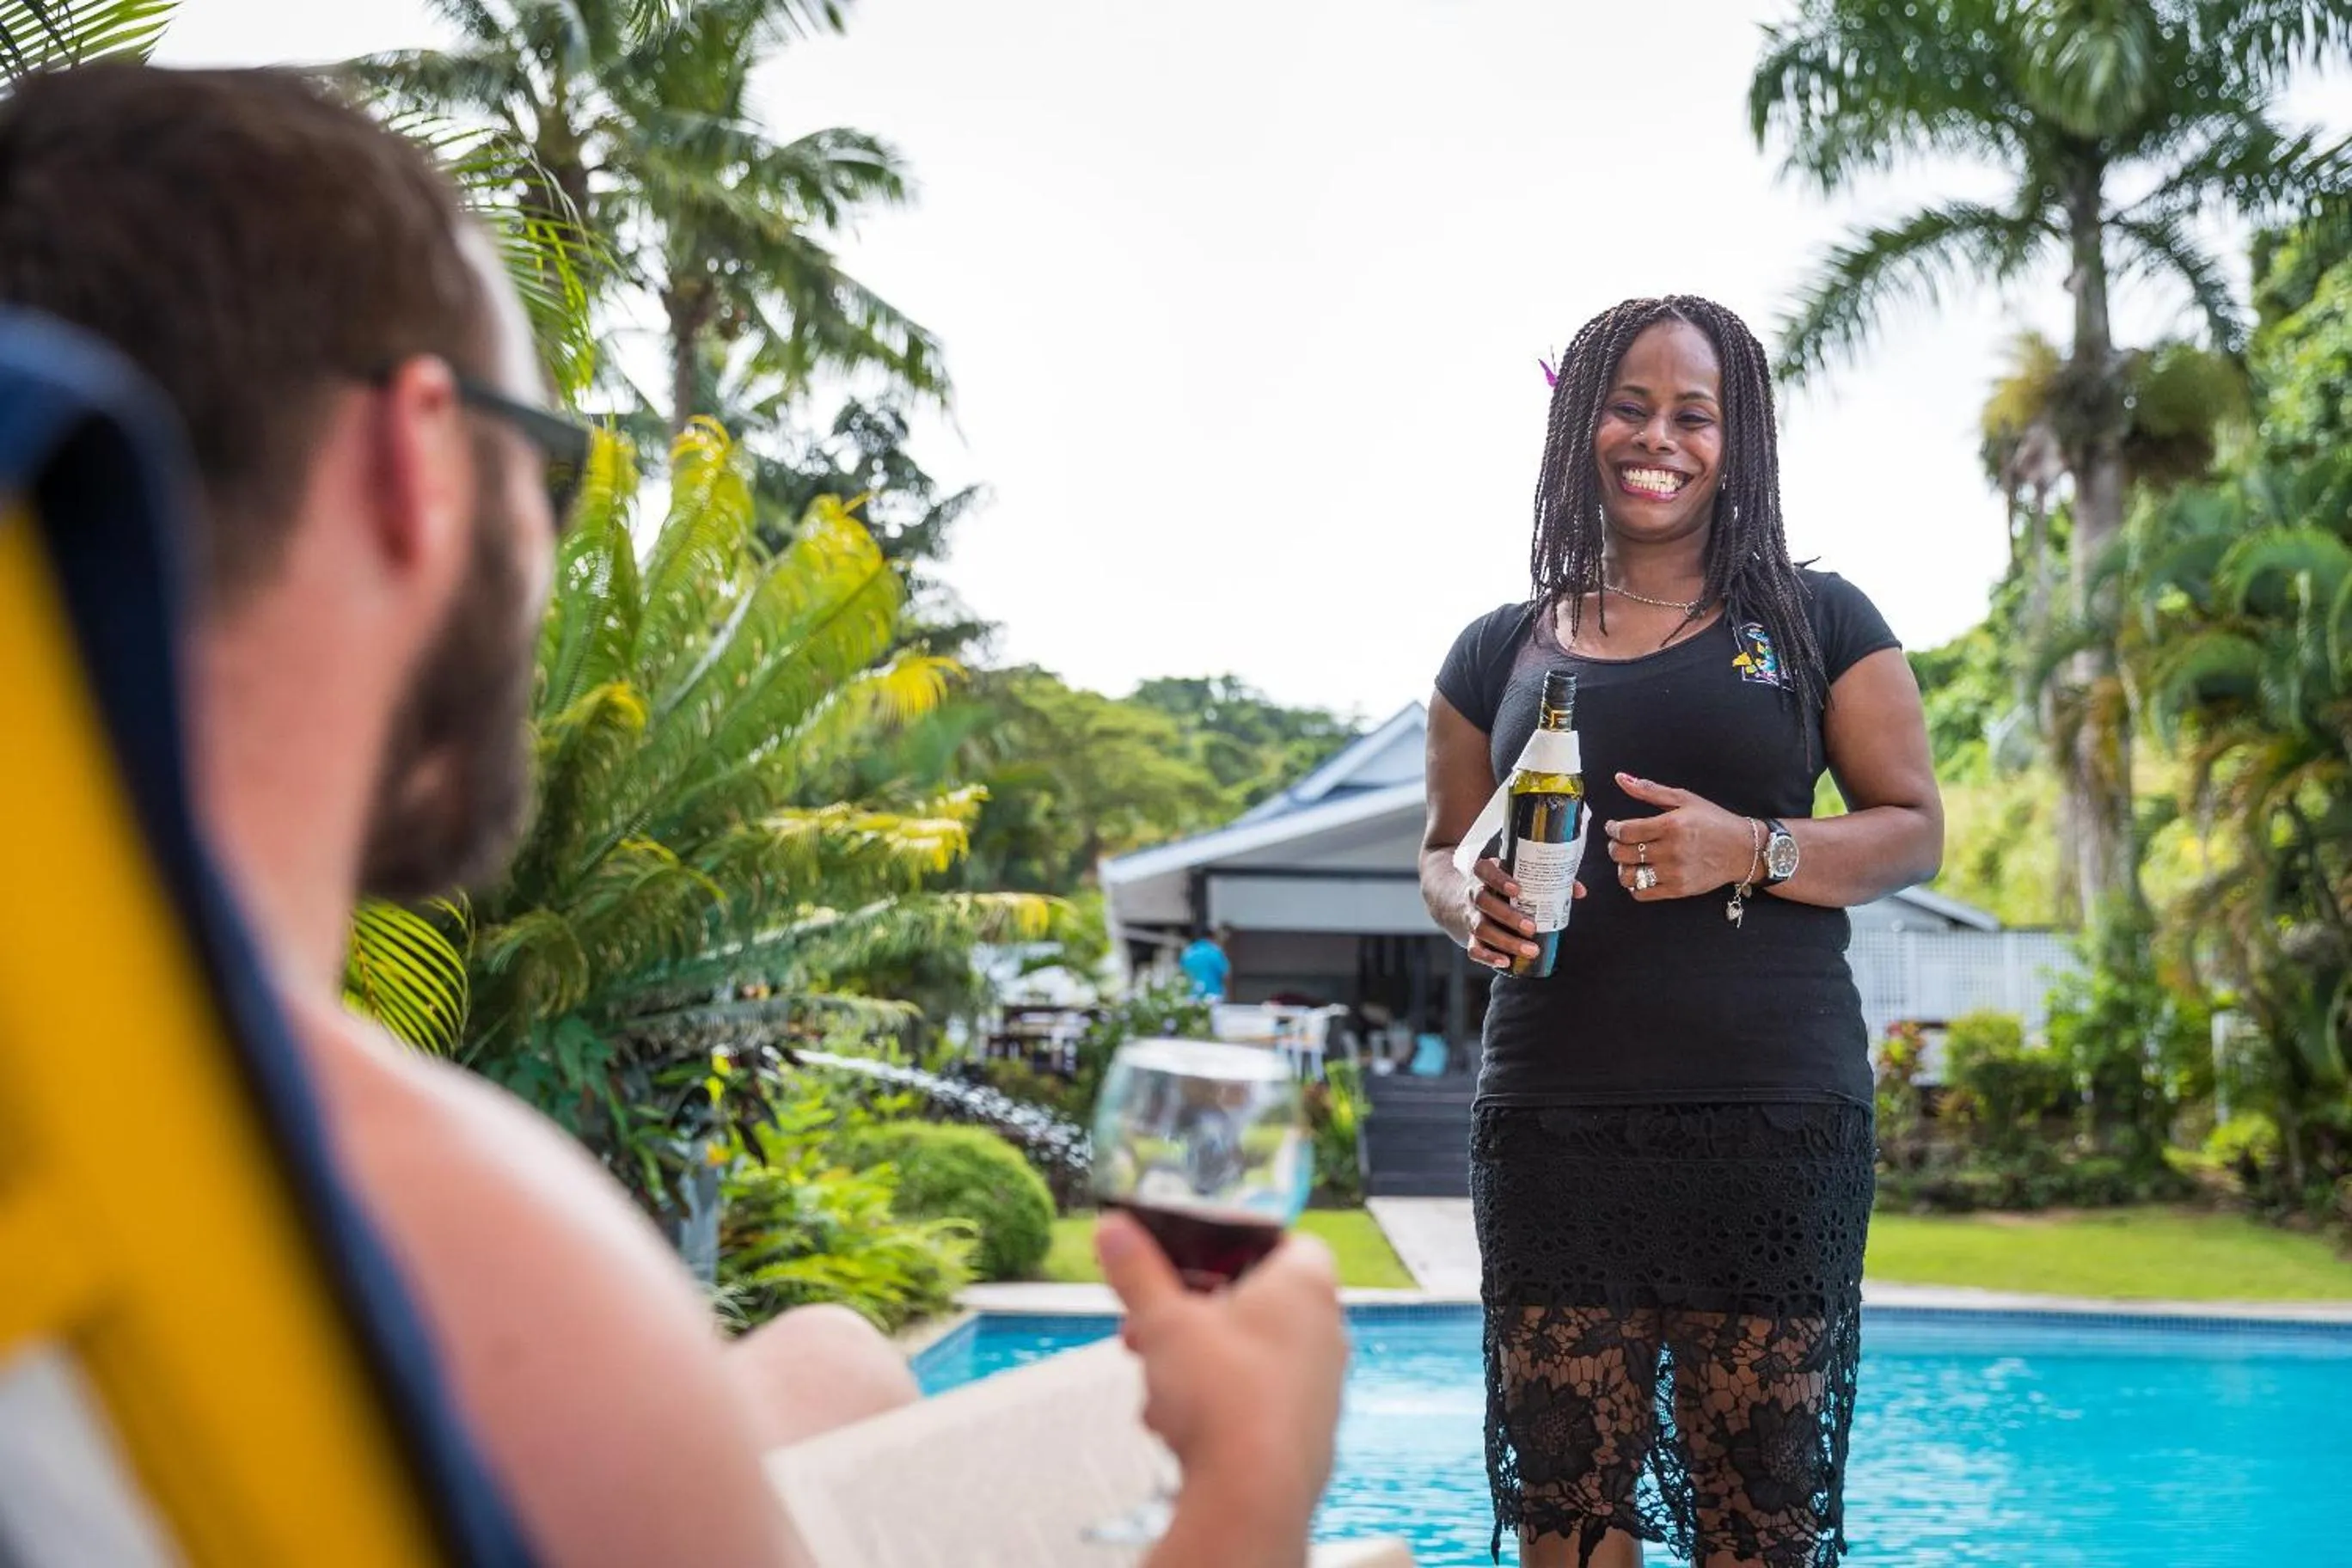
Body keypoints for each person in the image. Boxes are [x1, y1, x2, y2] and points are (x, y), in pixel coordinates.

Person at [0, 64, 1344, 1568]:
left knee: (829, 1356)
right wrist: (1249, 1491)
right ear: (418, 462)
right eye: (552, 467)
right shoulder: (440, 1240)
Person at [1418, 297, 1941, 1568]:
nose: (1660, 438)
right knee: (1568, 1520)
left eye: (1693, 414)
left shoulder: (1822, 621)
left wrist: (1749, 846)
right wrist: (1459, 899)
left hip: (1769, 1117)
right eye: (1630, 405)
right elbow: (1442, 847)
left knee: (1756, 1523)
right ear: (1578, 429)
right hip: (1555, 1121)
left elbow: (1912, 828)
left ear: (1736, 439)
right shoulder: (1498, 646)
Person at [1178, 925, 1234, 1002]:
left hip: (1191, 996)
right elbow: (1226, 974)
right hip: (1212, 995)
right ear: (1212, 937)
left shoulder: (1188, 951)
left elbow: (1181, 973)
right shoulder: (1216, 952)